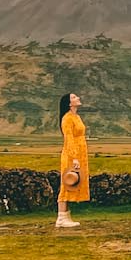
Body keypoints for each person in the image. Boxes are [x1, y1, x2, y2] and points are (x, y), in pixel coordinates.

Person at [56, 91, 90, 229]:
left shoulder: (76, 116)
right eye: (74, 97)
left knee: (74, 184)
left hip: (80, 153)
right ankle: (61, 217)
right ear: (69, 103)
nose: (78, 98)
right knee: (67, 184)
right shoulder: (67, 118)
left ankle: (66, 216)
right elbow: (69, 139)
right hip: (72, 155)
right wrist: (74, 157)